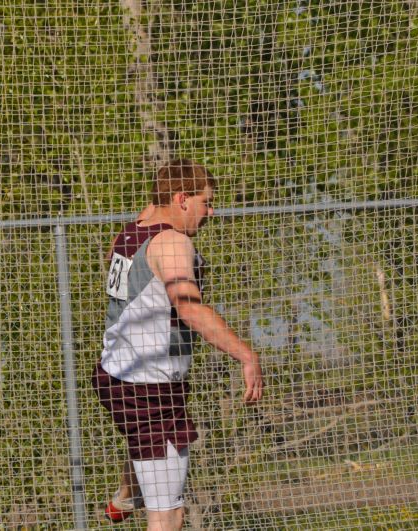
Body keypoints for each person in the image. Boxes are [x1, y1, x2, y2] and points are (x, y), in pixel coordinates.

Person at [92, 159, 263, 530]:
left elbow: (149, 211)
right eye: (206, 202)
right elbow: (190, 310)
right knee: (169, 513)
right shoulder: (171, 243)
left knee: (147, 442)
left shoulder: (131, 231)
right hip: (148, 389)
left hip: (113, 374)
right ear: (182, 199)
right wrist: (246, 355)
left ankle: (129, 493)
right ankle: (140, 495)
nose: (211, 211)